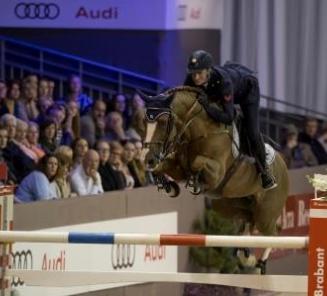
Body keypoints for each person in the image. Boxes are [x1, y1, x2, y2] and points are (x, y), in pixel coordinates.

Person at [184, 50, 276, 190]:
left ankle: (265, 172)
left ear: (208, 70)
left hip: (246, 92)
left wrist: (207, 107)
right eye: (193, 73)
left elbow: (228, 117)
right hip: (222, 93)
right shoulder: (191, 78)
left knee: (252, 131)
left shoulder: (223, 82)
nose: (196, 77)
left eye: (199, 73)